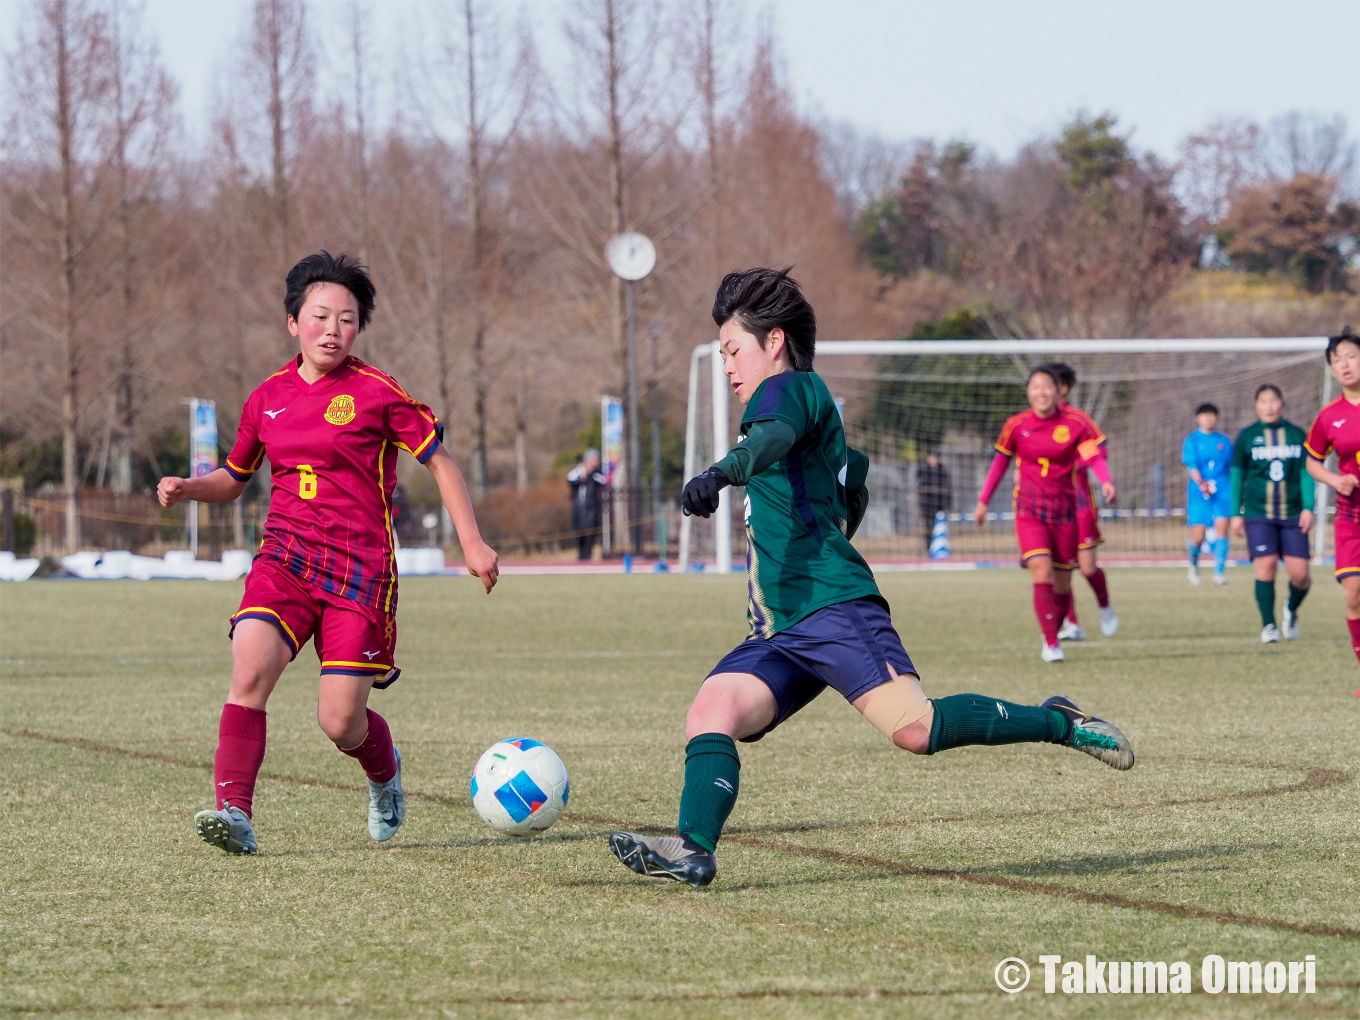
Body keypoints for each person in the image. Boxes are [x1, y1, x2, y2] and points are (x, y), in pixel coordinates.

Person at [607, 268, 1134, 888]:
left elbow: (772, 439)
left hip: (832, 609)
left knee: (918, 730)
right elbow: (844, 499)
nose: (727, 366)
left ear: (773, 341)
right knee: (711, 711)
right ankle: (693, 848)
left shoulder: (786, 390)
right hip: (780, 626)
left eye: (733, 349)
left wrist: (723, 473)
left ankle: (1059, 721)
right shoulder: (822, 417)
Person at [158, 251, 500, 855]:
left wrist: (471, 543)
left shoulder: (376, 392)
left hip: (359, 570)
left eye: (346, 319)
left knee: (339, 721)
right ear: (294, 322)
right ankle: (234, 812)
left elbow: (439, 460)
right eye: (320, 316)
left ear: (358, 329)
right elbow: (236, 476)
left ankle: (384, 772)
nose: (332, 329)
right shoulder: (266, 398)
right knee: (249, 670)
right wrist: (191, 487)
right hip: (284, 559)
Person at [1229, 384, 1312, 643]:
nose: (1268, 406)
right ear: (1256, 406)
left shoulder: (1297, 435)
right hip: (1258, 513)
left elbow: (1306, 472)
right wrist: (1235, 512)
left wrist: (1309, 507)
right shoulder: (1247, 436)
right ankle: (1269, 625)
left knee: (1300, 575)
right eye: (1263, 401)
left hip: (1292, 514)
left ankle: (1291, 609)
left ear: (1282, 404)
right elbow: (1237, 476)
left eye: (1273, 401)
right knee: (1265, 568)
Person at [1044, 363, 1118, 640]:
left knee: (1086, 567)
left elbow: (1096, 454)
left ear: (1061, 389)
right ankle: (1071, 624)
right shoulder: (1031, 422)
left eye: (1048, 385)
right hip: (1047, 507)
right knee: (1055, 570)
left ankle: (1104, 605)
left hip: (1079, 504)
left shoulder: (1076, 421)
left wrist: (1106, 480)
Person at [1304, 327, 1360, 669]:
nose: (1345, 364)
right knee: (1354, 594)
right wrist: (1335, 479)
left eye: (1352, 356)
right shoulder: (1329, 416)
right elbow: (1312, 461)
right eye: (1337, 360)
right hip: (1350, 517)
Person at [1182, 403, 1233, 586]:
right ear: (1198, 418)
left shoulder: (1223, 441)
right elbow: (1191, 465)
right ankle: (1193, 565)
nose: (1208, 418)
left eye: (1212, 415)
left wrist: (1237, 491)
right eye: (1204, 415)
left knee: (1222, 527)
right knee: (1198, 535)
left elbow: (1231, 467)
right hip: (1199, 492)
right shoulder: (1192, 440)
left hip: (1222, 489)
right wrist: (1202, 484)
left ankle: (1219, 572)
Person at [567, 448, 606, 560]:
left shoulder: (597, 474)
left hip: (592, 508)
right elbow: (570, 478)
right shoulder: (577, 471)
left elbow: (603, 481)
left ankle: (588, 557)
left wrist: (592, 473)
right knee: (579, 535)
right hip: (578, 509)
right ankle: (581, 557)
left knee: (590, 534)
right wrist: (582, 476)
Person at [915, 451, 952, 552]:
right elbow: (919, 485)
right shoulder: (923, 470)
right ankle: (929, 548)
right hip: (927, 504)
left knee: (941, 527)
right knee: (928, 527)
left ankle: (942, 548)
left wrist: (947, 505)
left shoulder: (942, 471)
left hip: (940, 504)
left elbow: (948, 487)